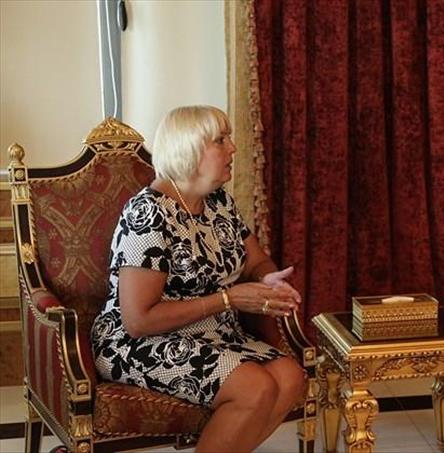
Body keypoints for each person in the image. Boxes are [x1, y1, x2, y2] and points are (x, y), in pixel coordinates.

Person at [91, 105, 305, 452]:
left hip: (212, 333)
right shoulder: (148, 213)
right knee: (255, 387)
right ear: (189, 149)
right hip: (138, 343)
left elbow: (256, 261)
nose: (233, 148)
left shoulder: (220, 203)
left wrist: (269, 279)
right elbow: (138, 320)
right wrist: (228, 299)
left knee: (290, 377)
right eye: (221, 140)